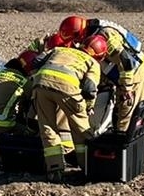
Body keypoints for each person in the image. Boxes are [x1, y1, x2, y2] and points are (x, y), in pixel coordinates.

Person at [75, 17, 144, 159]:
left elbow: (127, 62)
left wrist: (126, 88)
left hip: (133, 75)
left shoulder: (105, 35)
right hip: (137, 70)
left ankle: (123, 156)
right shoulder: (96, 31)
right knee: (139, 113)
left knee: (126, 115)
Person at [26, 33, 107, 181]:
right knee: (82, 129)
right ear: (100, 55)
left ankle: (55, 169)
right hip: (67, 88)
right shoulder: (92, 63)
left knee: (47, 128)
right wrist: (88, 107)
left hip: (40, 85)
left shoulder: (60, 50)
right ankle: (87, 167)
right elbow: (89, 89)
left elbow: (36, 61)